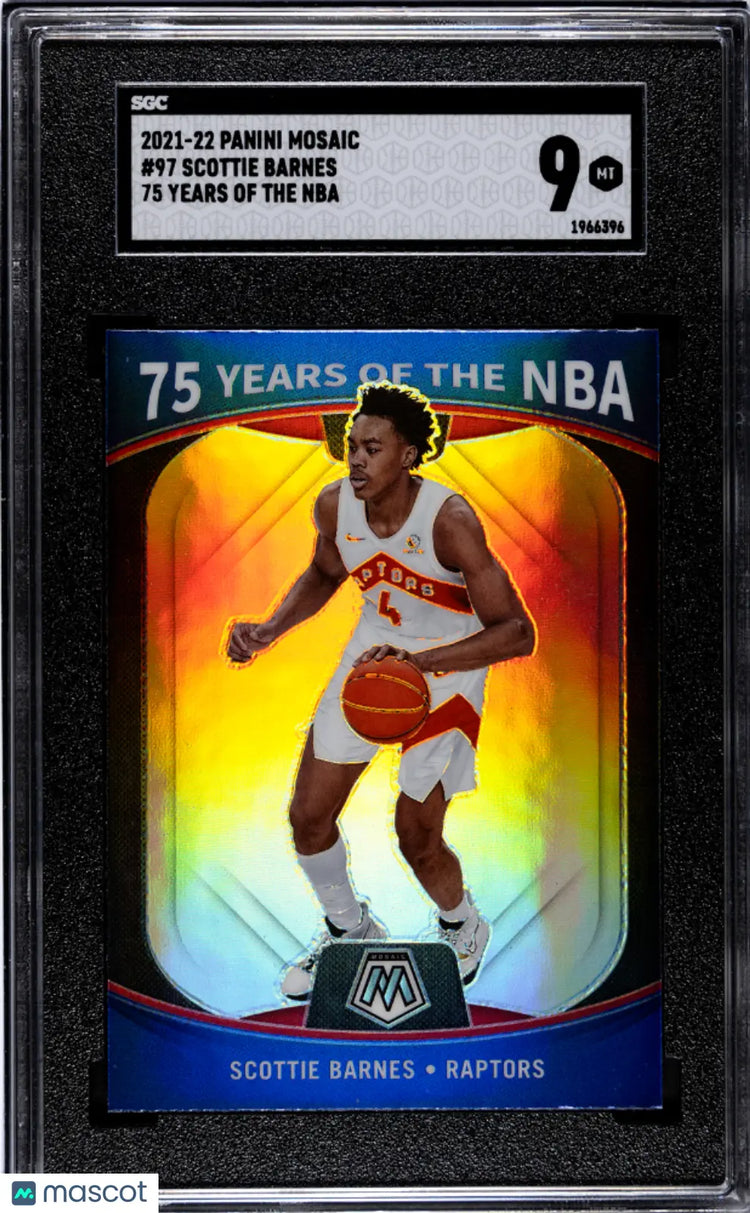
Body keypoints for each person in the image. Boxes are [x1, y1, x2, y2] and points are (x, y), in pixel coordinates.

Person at [228, 381, 535, 1000]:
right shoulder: (335, 506)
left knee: (416, 835)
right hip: (374, 661)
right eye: (352, 447)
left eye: (373, 448)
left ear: (409, 455)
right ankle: (349, 929)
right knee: (308, 816)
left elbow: (517, 633)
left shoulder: (449, 521)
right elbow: (324, 572)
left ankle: (463, 925)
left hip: (448, 668)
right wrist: (270, 629)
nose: (357, 460)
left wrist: (419, 664)